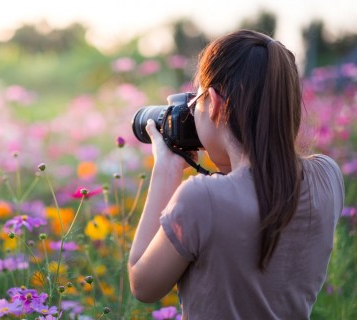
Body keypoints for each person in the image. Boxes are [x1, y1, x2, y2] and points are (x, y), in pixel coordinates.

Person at [128, 29, 344, 319]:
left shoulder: (201, 199)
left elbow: (143, 285)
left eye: (195, 103)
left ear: (215, 103)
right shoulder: (328, 177)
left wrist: (166, 170)